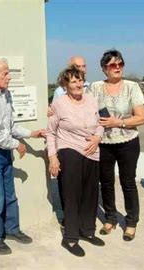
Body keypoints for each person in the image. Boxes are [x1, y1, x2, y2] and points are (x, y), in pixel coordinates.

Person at [0, 60, 45, 255]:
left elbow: (10, 126)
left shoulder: (5, 94)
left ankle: (12, 229)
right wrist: (16, 144)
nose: (9, 77)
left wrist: (31, 134)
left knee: (9, 195)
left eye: (8, 73)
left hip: (3, 151)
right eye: (5, 73)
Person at [47, 67, 105, 257]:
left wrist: (97, 138)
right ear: (66, 85)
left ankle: (87, 230)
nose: (78, 84)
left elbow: (101, 124)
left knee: (90, 193)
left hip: (92, 151)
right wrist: (53, 157)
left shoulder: (92, 100)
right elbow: (51, 132)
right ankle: (71, 237)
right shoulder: (59, 103)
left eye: (80, 80)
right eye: (73, 81)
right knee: (72, 194)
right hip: (69, 150)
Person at [90, 49, 144, 241]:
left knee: (128, 182)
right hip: (104, 143)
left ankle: (131, 222)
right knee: (106, 182)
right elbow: (83, 107)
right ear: (104, 68)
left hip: (127, 142)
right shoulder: (95, 87)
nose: (118, 68)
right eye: (113, 65)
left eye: (120, 64)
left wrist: (119, 123)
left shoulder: (132, 87)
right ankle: (110, 218)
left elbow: (141, 118)